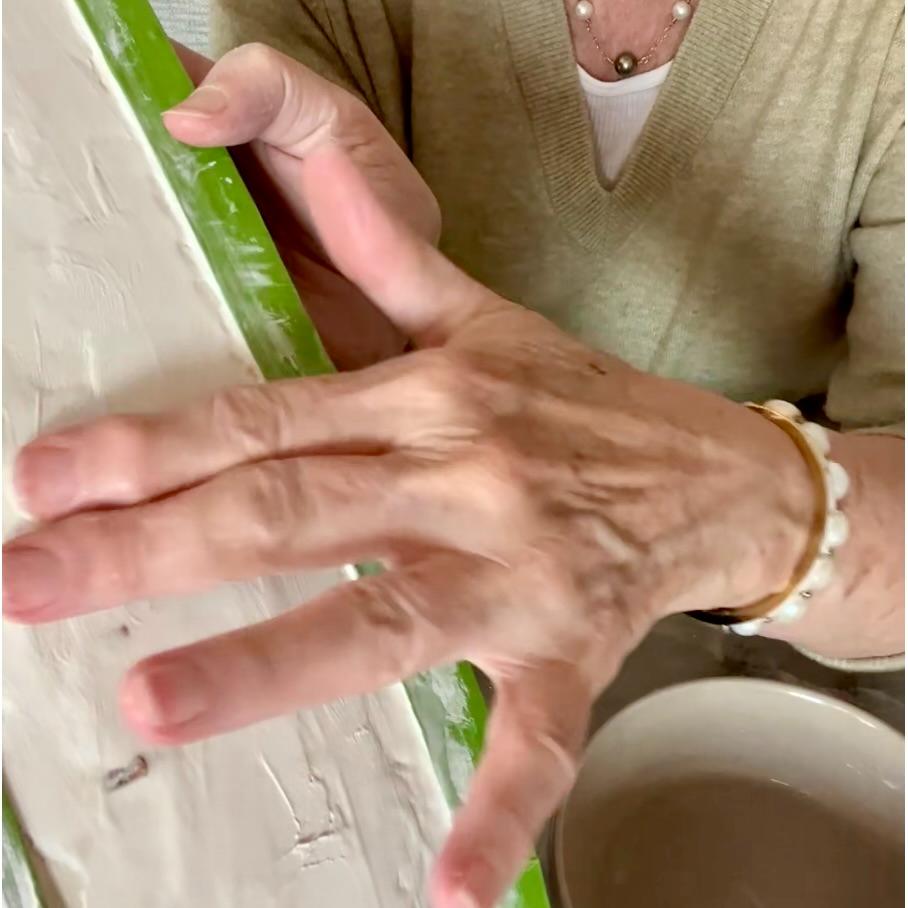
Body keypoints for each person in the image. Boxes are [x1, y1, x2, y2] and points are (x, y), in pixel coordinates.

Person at [3, 1, 904, 906]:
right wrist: (331, 327)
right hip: (423, 669)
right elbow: (317, 363)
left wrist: (731, 508)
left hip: (772, 684)